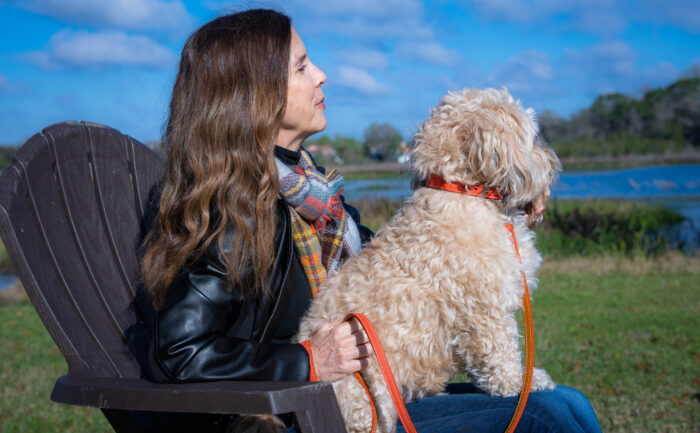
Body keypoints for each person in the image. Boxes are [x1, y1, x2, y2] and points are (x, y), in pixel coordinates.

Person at [140, 8, 603, 433]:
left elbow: (408, 274)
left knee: (569, 403)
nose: (321, 75)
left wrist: (499, 204)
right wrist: (306, 361)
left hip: (358, 396)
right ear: (253, 95)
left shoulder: (312, 195)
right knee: (546, 417)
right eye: (301, 67)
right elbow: (178, 353)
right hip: (299, 415)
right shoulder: (230, 207)